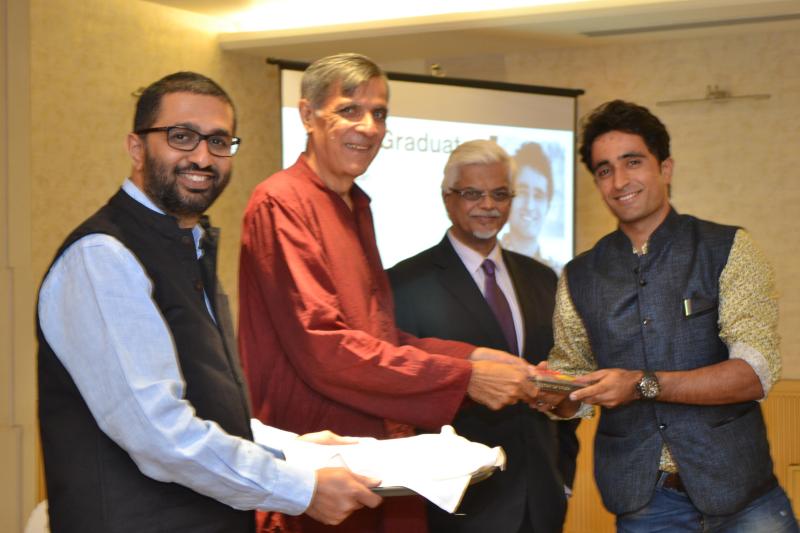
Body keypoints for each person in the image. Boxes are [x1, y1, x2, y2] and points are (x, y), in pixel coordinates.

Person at [36, 71, 382, 533]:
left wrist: (291, 449)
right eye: (181, 137)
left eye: (218, 141)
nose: (202, 157)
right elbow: (159, 434)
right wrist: (300, 488)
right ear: (136, 148)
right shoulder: (103, 256)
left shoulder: (190, 246)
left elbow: (202, 407)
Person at [238, 53, 539, 533]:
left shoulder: (355, 205)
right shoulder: (283, 201)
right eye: (349, 110)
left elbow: (378, 336)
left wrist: (472, 356)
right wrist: (463, 379)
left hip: (378, 465)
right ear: (307, 115)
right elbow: (325, 348)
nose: (369, 127)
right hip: (319, 474)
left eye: (379, 113)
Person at [540, 100, 799, 532]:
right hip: (645, 501)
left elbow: (755, 373)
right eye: (604, 170)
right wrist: (553, 394)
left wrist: (641, 385)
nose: (619, 181)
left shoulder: (728, 249)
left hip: (743, 494)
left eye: (633, 162)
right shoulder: (579, 276)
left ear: (665, 168)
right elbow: (575, 381)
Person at [387, 139, 579, 533]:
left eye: (500, 194)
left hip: (541, 501)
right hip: (458, 505)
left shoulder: (543, 278)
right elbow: (401, 395)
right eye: (473, 193)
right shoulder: (404, 283)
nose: (488, 205)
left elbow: (564, 380)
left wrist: (562, 478)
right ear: (448, 198)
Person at [500, 142, 555, 268]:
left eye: (538, 196)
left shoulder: (556, 273)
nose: (529, 206)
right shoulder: (487, 265)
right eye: (522, 192)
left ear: (548, 206)